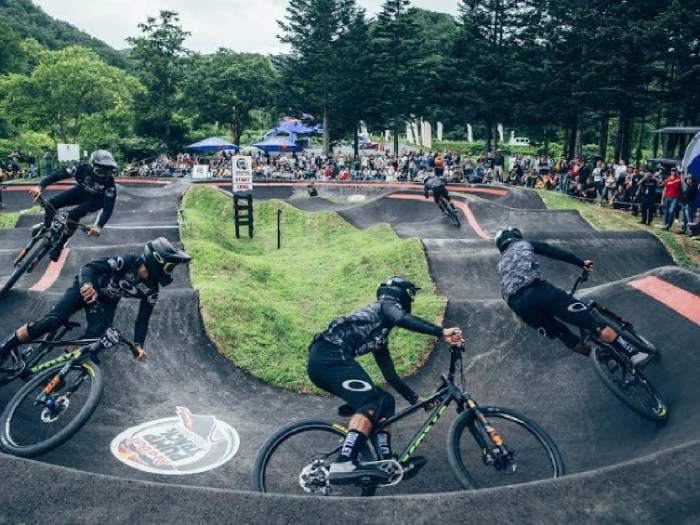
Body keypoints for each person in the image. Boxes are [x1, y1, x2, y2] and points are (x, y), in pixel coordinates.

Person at [307, 276, 464, 484]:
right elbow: (402, 319)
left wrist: (415, 400)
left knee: (385, 401)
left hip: (327, 361)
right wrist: (440, 332)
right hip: (330, 355)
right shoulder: (384, 307)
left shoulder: (379, 333)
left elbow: (390, 375)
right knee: (371, 402)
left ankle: (386, 461)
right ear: (403, 297)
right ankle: (344, 462)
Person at [0, 238, 191, 366]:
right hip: (85, 289)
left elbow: (143, 319)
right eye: (169, 266)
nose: (170, 271)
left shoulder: (152, 290)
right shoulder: (128, 261)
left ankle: (58, 369)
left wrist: (139, 345)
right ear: (156, 260)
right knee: (52, 321)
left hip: (106, 301)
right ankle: (6, 347)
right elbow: (88, 267)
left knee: (95, 335)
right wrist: (86, 285)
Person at [494, 228, 649, 366]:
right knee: (591, 322)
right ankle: (633, 354)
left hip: (517, 305)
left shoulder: (500, 264)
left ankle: (605, 359)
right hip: (538, 291)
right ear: (516, 237)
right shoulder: (523, 244)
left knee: (565, 337)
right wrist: (581, 263)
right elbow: (553, 252)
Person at [28, 150, 119, 262]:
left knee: (74, 215)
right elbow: (59, 174)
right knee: (51, 203)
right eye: (100, 170)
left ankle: (60, 245)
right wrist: (40, 186)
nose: (104, 175)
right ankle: (47, 227)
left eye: (108, 171)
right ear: (91, 166)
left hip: (95, 201)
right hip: (81, 191)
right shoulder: (82, 168)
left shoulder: (110, 185)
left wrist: (98, 226)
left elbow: (109, 207)